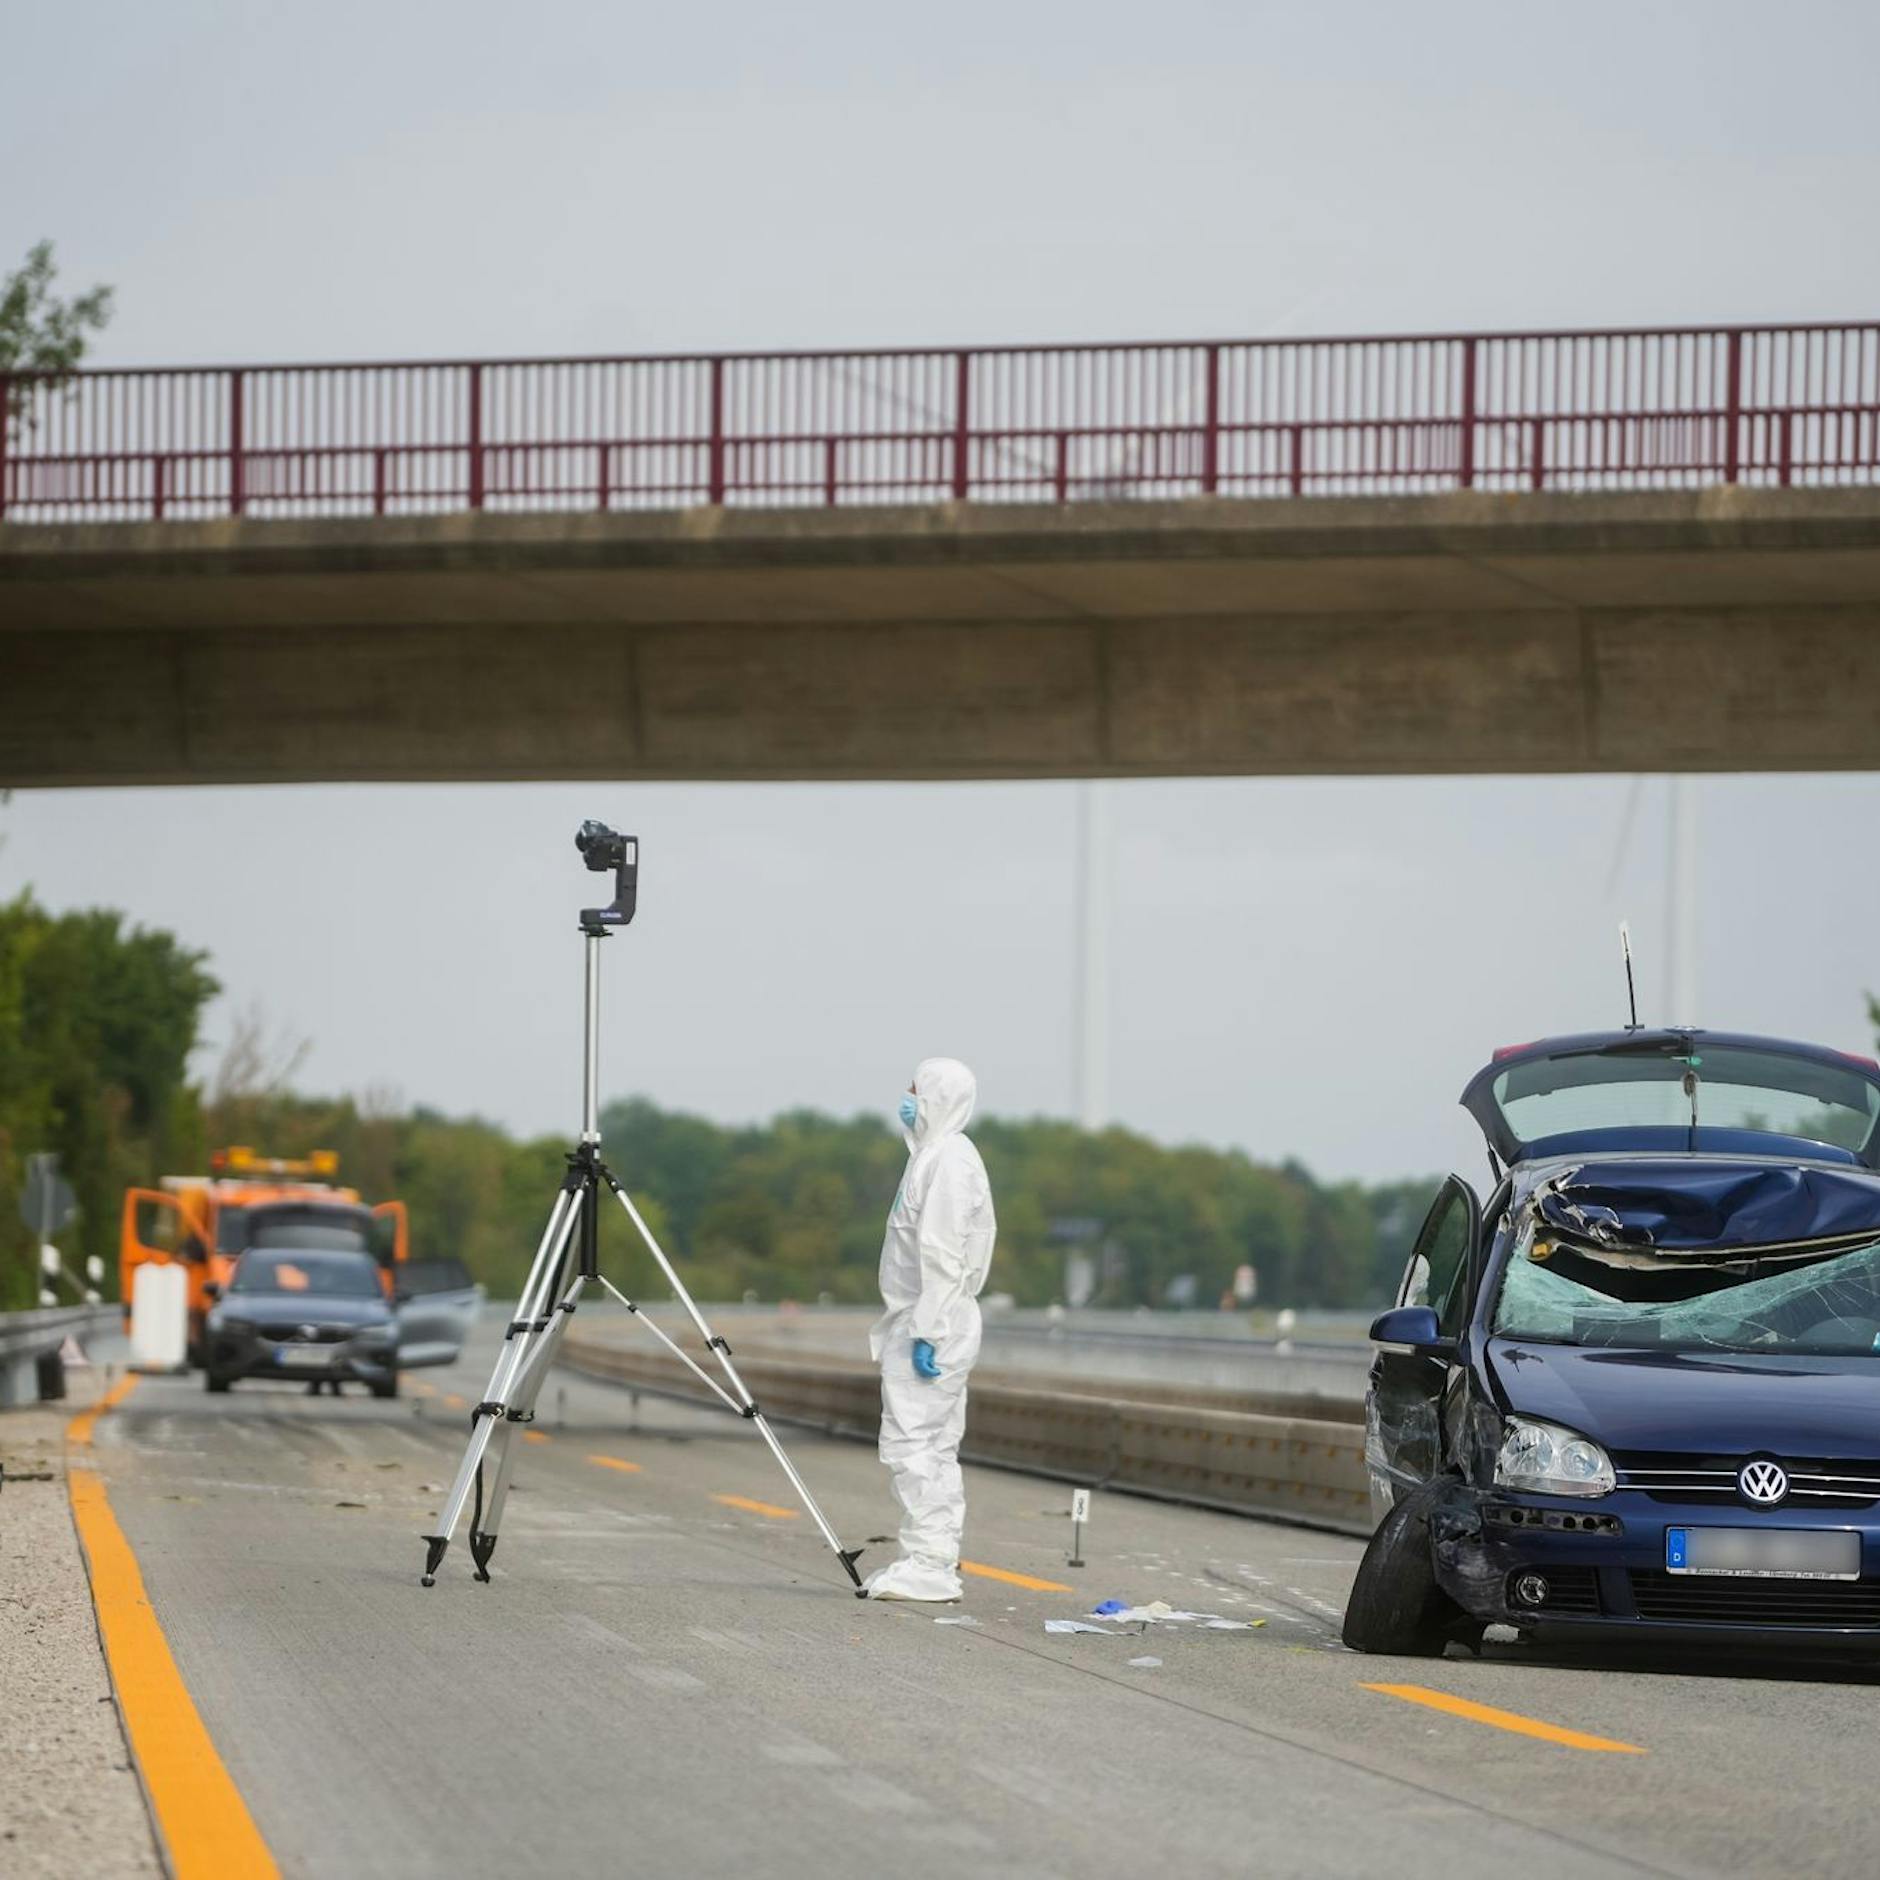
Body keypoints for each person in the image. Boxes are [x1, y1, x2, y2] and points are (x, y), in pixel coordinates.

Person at [862, 1057, 997, 1603]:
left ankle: (929, 1564)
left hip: (931, 1318)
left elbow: (942, 1253)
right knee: (934, 1445)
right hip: (931, 1315)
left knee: (912, 1443)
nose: (907, 1098)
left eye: (916, 1090)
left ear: (938, 1096)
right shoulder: (933, 1157)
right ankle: (932, 1557)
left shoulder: (947, 1161)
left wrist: (928, 1330)